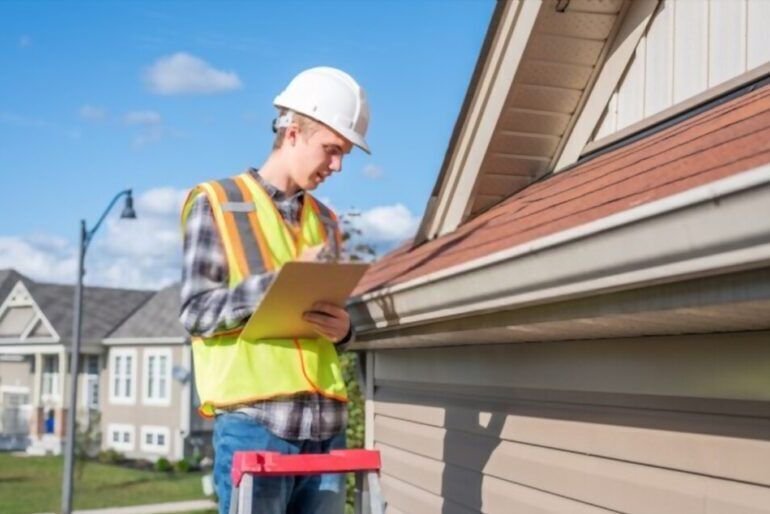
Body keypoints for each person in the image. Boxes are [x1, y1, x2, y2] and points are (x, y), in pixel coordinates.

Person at [178, 66, 370, 514]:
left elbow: (321, 323)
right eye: (331, 150)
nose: (337, 166)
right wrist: (277, 283)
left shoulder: (326, 220)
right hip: (256, 425)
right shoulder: (218, 203)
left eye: (343, 155)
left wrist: (343, 331)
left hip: (327, 428)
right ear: (292, 133)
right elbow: (196, 312)